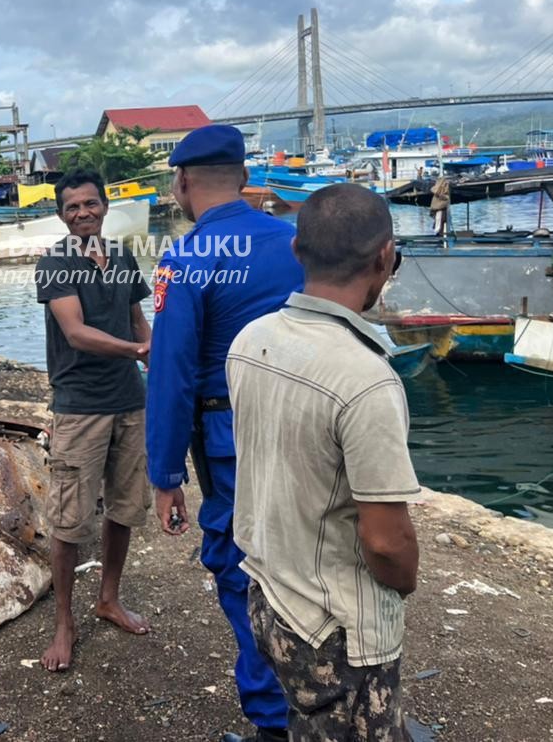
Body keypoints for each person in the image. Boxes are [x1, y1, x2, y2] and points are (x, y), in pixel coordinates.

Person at [228, 183, 420, 741]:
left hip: (269, 596)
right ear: (385, 258)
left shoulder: (250, 340)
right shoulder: (365, 380)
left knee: (306, 722)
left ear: (297, 251)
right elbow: (386, 543)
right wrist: (403, 583)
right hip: (336, 628)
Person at [145, 125, 299, 742]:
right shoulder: (294, 242)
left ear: (181, 182)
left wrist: (165, 474)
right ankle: (318, 702)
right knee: (304, 563)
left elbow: (171, 370)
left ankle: (274, 722)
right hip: (305, 426)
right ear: (243, 176)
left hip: (230, 438)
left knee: (241, 570)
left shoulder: (184, 258)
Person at [34, 167, 152, 673]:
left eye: (90, 204)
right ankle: (65, 622)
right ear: (62, 215)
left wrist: (155, 354)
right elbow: (77, 332)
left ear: (105, 206)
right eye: (72, 207)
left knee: (124, 508)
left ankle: (108, 599)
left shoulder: (122, 257)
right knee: (70, 520)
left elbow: (136, 319)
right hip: (80, 405)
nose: (82, 213)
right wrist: (137, 350)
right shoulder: (55, 264)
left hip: (129, 400)